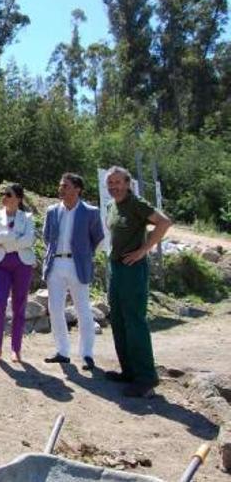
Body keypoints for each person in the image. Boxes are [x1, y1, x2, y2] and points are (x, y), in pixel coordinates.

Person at [104, 166, 172, 397]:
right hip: (116, 267)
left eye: (118, 182)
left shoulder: (136, 203)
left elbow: (163, 222)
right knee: (118, 319)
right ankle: (129, 372)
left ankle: (145, 377)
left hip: (133, 269)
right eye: (110, 183)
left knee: (134, 320)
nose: (114, 186)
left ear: (127, 183)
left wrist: (143, 250)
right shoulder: (111, 205)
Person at [42, 173, 104, 370]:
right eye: (61, 186)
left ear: (77, 189)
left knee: (83, 309)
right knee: (55, 309)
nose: (61, 189)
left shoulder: (91, 212)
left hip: (78, 264)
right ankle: (62, 351)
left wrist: (84, 254)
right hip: (56, 264)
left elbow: (98, 239)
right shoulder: (52, 211)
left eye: (65, 186)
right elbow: (47, 237)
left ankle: (86, 354)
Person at [0, 184, 36, 364]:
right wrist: (14, 237)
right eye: (3, 194)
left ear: (19, 199)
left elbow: (29, 239)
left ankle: (16, 349)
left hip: (22, 264)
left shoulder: (27, 217)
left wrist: (4, 240)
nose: (4, 197)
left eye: (8, 194)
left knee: (19, 306)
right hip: (0, 264)